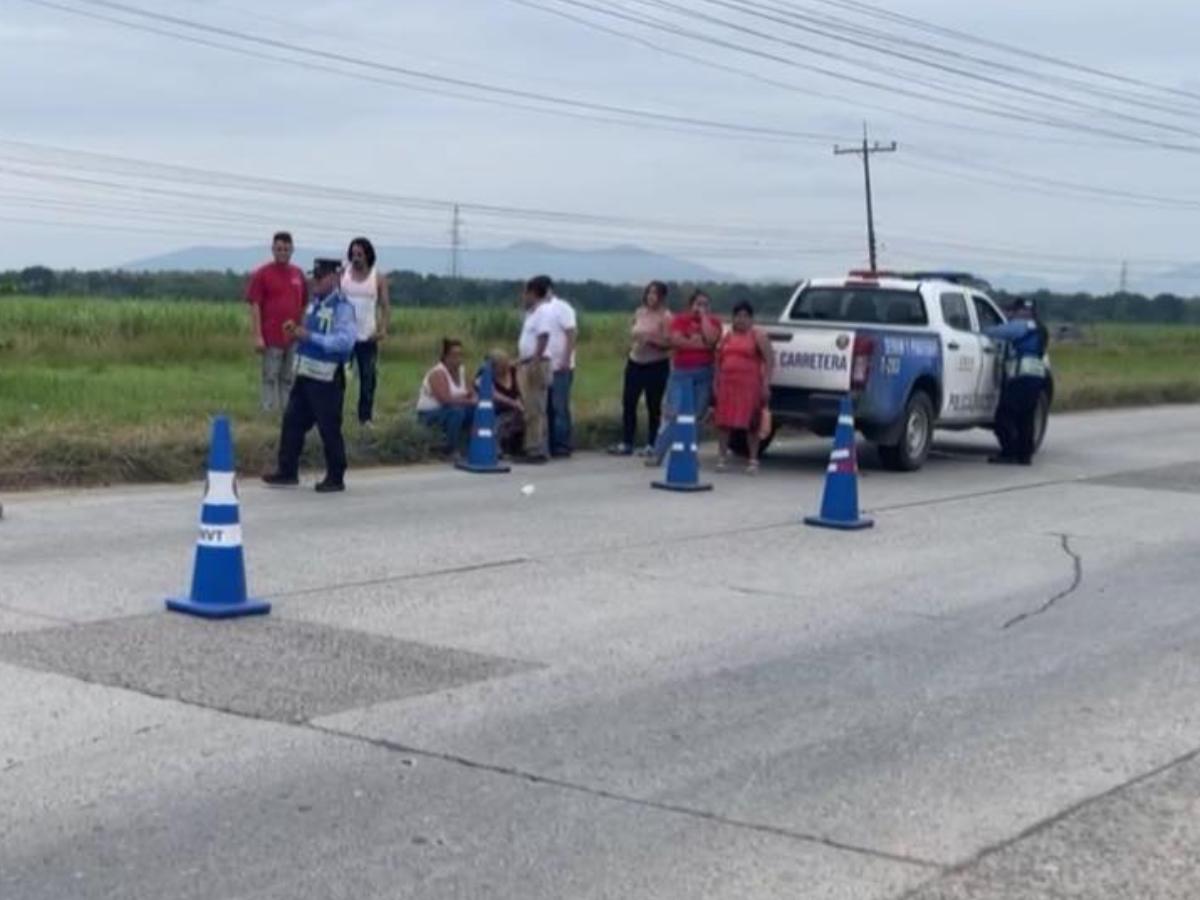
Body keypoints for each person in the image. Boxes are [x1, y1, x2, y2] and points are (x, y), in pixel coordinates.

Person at [263, 258, 357, 493]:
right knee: (292, 423)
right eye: (314, 275)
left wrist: (310, 337)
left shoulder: (343, 307)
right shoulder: (314, 304)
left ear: (335, 278)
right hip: (305, 374)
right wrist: (295, 333)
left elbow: (345, 342)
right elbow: (307, 331)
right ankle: (287, 472)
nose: (315, 280)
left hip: (326, 379)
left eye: (321, 276)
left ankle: (336, 476)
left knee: (329, 428)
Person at [648, 289, 723, 466]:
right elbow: (676, 341)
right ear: (691, 305)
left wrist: (704, 319)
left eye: (705, 304)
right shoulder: (680, 320)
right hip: (681, 372)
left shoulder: (714, 322)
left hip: (704, 372)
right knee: (674, 414)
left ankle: (690, 453)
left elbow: (712, 340)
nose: (701, 307)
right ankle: (658, 453)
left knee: (696, 416)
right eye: (698, 304)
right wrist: (700, 344)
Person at [245, 231, 307, 414]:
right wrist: (257, 336)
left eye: (286, 249)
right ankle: (268, 410)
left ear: (292, 249)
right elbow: (255, 305)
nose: (282, 252)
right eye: (279, 249)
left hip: (293, 335)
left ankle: (288, 412)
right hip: (271, 334)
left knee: (289, 377)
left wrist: (302, 330)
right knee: (270, 375)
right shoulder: (262, 274)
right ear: (273, 249)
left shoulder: (298, 274)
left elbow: (304, 304)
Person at [610, 280, 672, 456]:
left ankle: (652, 443)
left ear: (662, 297)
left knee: (653, 405)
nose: (651, 296)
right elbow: (633, 331)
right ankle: (627, 441)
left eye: (655, 293)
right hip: (635, 361)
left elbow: (669, 343)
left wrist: (652, 341)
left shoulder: (666, 317)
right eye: (649, 293)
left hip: (656, 364)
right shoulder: (639, 312)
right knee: (629, 402)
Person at [986, 297, 1050, 466]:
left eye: (1015, 310)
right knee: (1026, 417)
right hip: (1036, 377)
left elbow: (994, 332)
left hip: (1022, 376)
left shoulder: (1022, 326)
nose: (1012, 314)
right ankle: (1024, 456)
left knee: (1004, 415)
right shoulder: (1040, 328)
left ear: (1023, 311)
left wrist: (981, 328)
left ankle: (1009, 452)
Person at [714, 301, 774, 474]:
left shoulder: (757, 336)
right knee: (723, 423)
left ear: (751, 318)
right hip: (727, 384)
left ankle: (753, 459)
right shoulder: (727, 336)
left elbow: (769, 360)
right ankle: (722, 458)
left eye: (745, 316)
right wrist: (715, 382)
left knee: (751, 424)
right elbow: (718, 360)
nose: (741, 320)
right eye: (738, 316)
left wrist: (766, 384)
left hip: (749, 386)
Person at [340, 236, 390, 429]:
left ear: (368, 255)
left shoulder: (377, 277)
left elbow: (385, 306)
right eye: (353, 254)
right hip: (344, 335)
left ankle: (365, 418)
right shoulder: (343, 274)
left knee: (368, 379)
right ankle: (336, 415)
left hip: (367, 336)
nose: (356, 258)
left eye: (360, 254)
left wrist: (383, 329)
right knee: (339, 379)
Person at [514, 279, 554, 464]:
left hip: (536, 363)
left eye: (525, 293)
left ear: (532, 293)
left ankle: (535, 449)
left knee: (535, 408)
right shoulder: (532, 313)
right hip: (528, 361)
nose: (523, 297)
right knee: (531, 407)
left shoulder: (542, 312)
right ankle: (534, 446)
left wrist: (535, 361)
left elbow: (543, 336)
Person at [416, 338, 478, 456]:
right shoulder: (438, 373)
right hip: (430, 413)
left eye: (460, 355)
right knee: (456, 412)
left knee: (476, 411)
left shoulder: (462, 371)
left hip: (452, 409)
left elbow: (471, 391)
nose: (458, 359)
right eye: (454, 355)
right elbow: (445, 400)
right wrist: (469, 401)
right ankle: (449, 449)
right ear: (446, 356)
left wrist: (475, 398)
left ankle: (472, 445)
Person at [539, 275, 577, 458]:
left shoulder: (561, 308)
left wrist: (566, 359)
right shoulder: (537, 310)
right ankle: (550, 442)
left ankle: (562, 444)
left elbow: (571, 333)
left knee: (559, 406)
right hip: (544, 365)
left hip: (560, 366)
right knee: (546, 408)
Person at [479, 349, 525, 457]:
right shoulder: (485, 375)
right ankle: (496, 450)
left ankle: (520, 447)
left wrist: (520, 401)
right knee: (498, 423)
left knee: (526, 417)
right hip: (498, 409)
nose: (504, 369)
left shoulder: (514, 371)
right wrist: (514, 403)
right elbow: (493, 395)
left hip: (516, 408)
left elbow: (520, 390)